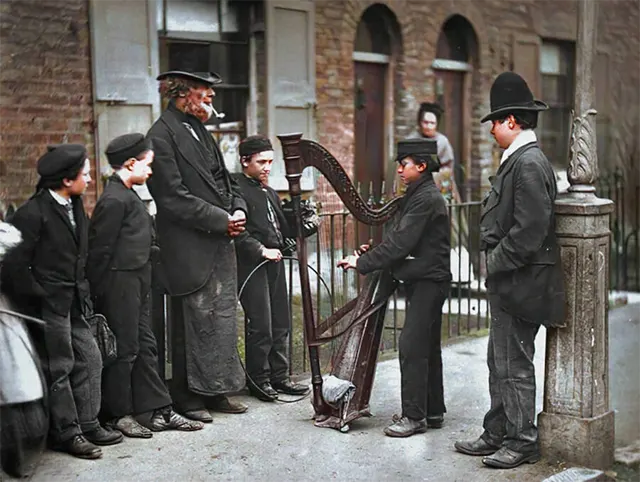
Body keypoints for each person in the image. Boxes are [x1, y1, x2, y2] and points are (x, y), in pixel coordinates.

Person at [454, 72, 565, 469]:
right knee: (498, 360)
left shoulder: (529, 163)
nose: (492, 132)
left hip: (521, 281)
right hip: (510, 281)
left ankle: (522, 440)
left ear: (512, 122)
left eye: (495, 124)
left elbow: (530, 231)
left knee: (514, 364)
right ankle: (497, 431)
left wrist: (492, 262)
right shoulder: (519, 159)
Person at [1, 145, 123, 460]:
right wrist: (39, 296)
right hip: (49, 305)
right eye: (85, 174)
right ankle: (67, 433)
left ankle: (88, 421)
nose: (90, 179)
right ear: (67, 180)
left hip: (74, 302)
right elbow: (15, 266)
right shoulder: (33, 213)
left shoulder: (75, 204)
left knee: (91, 357)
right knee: (61, 367)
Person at [146, 70, 248, 423]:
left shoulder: (201, 129)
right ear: (183, 93)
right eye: (205, 91)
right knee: (190, 321)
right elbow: (172, 198)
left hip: (219, 241)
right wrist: (222, 219)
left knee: (220, 319)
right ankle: (187, 398)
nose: (211, 97)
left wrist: (238, 208)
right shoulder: (160, 135)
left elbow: (226, 178)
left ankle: (216, 389)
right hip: (189, 246)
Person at [87, 133, 204, 438]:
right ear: (130, 163)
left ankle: (159, 410)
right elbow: (99, 251)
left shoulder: (129, 195)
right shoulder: (113, 200)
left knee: (146, 347)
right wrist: (100, 295)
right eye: (147, 165)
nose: (151, 172)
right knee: (124, 350)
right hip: (119, 283)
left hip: (138, 281)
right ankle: (117, 415)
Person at [338, 138, 451, 438]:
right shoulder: (417, 195)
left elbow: (401, 244)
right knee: (426, 345)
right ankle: (433, 410)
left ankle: (414, 417)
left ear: (422, 166)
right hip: (425, 279)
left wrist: (361, 263)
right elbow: (400, 239)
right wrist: (371, 252)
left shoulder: (425, 198)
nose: (399, 170)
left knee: (412, 346)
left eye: (404, 164)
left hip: (429, 281)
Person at [233, 135, 312, 401]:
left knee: (281, 322)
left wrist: (303, 222)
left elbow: (280, 229)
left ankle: (280, 377)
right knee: (262, 325)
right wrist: (260, 249)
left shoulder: (268, 191)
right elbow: (237, 232)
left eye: (270, 162)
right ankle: (259, 380)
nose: (267, 167)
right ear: (245, 161)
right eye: (261, 162)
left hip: (275, 263)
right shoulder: (236, 189)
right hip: (251, 266)